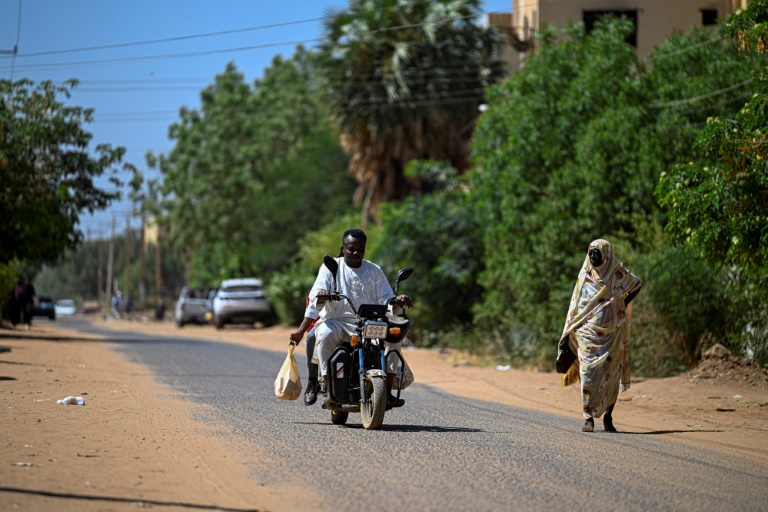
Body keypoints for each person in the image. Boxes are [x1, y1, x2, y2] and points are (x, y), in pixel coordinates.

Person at [289, 228, 413, 408]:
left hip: (370, 322)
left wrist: (397, 300)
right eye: (351, 249)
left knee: (394, 339)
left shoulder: (374, 270)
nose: (355, 253)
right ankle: (330, 390)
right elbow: (315, 300)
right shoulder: (331, 267)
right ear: (343, 247)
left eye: (360, 249)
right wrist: (321, 299)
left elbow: (386, 299)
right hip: (337, 321)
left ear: (364, 249)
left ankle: (387, 391)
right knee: (322, 336)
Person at [557, 239, 642, 433]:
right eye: (591, 253)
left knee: (611, 374)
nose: (593, 257)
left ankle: (608, 416)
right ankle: (588, 417)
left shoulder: (617, 274)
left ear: (607, 255)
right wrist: (566, 333)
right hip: (586, 334)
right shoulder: (585, 276)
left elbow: (637, 285)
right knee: (588, 373)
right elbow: (574, 307)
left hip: (613, 335)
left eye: (597, 253)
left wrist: (622, 304)